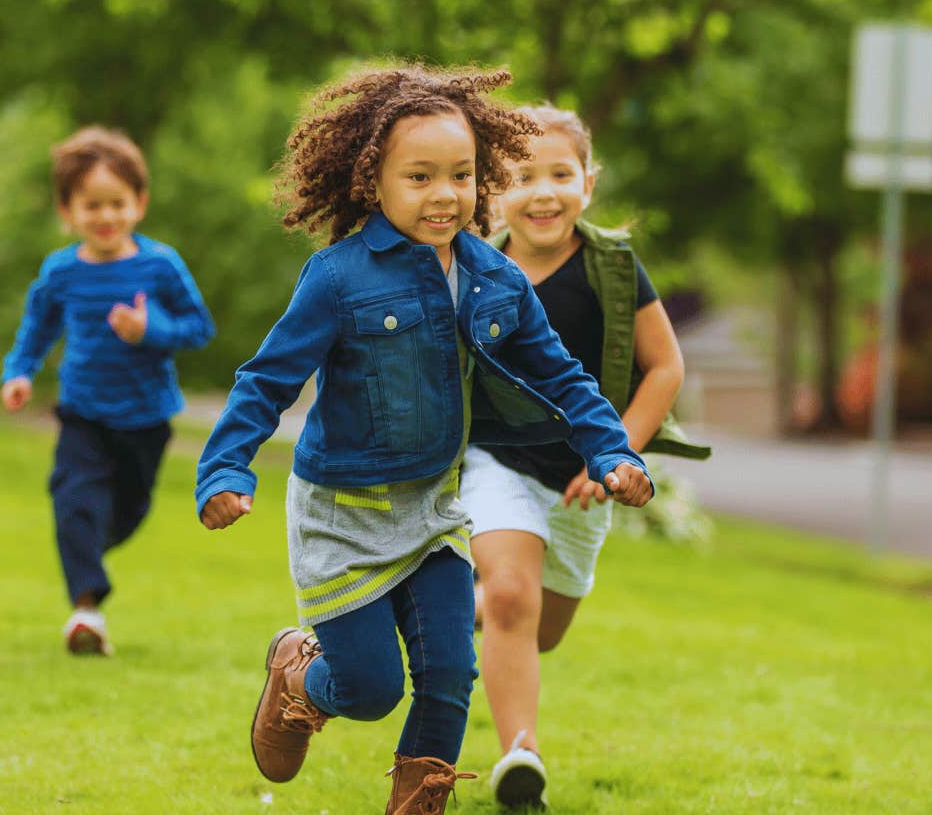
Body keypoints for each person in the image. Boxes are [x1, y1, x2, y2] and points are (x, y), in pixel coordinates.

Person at [193, 66, 654, 814]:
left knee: (448, 672)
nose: (446, 194)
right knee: (371, 689)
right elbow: (265, 380)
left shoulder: (495, 277)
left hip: (436, 510)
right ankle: (298, 675)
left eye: (463, 176)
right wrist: (224, 470)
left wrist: (612, 450)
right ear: (374, 181)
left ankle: (421, 801)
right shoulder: (338, 278)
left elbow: (565, 377)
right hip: (343, 515)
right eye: (420, 177)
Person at [464, 105, 711, 807]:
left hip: (582, 480)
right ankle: (521, 756)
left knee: (541, 631)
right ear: (492, 191)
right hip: (493, 461)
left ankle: (459, 607)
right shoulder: (471, 266)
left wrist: (612, 456)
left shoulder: (613, 267)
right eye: (522, 176)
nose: (543, 192)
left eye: (560, 174)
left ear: (589, 183)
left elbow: (664, 367)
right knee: (513, 593)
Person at [0, 126, 215, 655]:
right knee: (73, 499)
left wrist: (151, 332)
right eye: (91, 205)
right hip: (83, 412)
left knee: (125, 513)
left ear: (139, 203)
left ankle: (87, 552)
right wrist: (19, 370)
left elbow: (199, 327)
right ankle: (86, 613)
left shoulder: (159, 265)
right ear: (67, 210)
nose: (105, 216)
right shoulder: (61, 271)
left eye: (116, 203)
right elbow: (37, 327)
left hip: (145, 417)